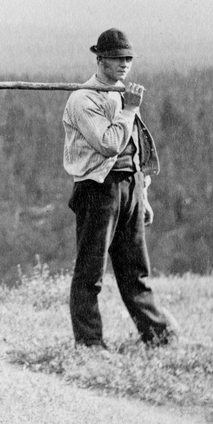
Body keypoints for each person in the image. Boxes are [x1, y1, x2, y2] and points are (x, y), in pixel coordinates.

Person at [62, 28, 175, 348]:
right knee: (90, 273)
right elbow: (109, 144)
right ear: (100, 60)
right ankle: (90, 345)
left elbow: (134, 150)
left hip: (130, 187)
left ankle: (158, 337)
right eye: (116, 58)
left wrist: (143, 196)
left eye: (128, 58)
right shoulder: (83, 99)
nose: (124, 64)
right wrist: (130, 109)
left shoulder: (123, 94)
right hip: (98, 189)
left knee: (135, 271)